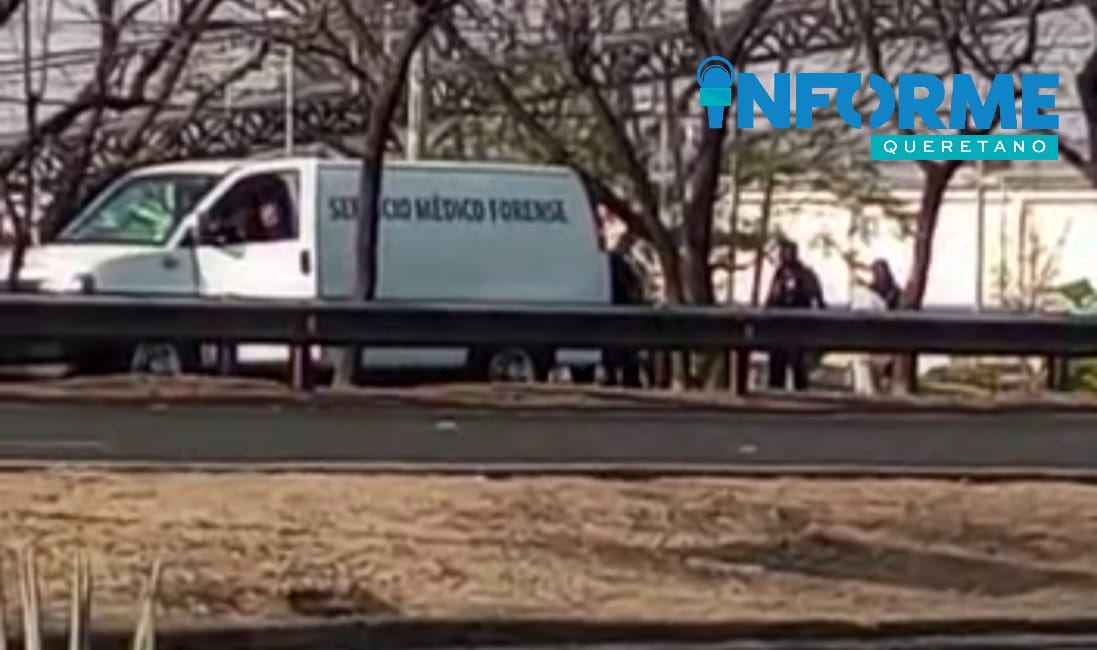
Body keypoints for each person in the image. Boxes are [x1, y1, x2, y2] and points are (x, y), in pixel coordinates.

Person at [764, 238, 826, 391]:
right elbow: (770, 301)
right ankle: (775, 398)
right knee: (777, 369)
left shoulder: (806, 274)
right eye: (783, 253)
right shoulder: (778, 275)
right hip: (779, 328)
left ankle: (800, 395)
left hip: (799, 327)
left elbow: (817, 300)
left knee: (798, 367)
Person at [851, 258, 902, 394]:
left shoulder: (895, 293)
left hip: (887, 344)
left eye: (883, 272)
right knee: (863, 365)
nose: (881, 276)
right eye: (877, 272)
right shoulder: (869, 293)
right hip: (869, 343)